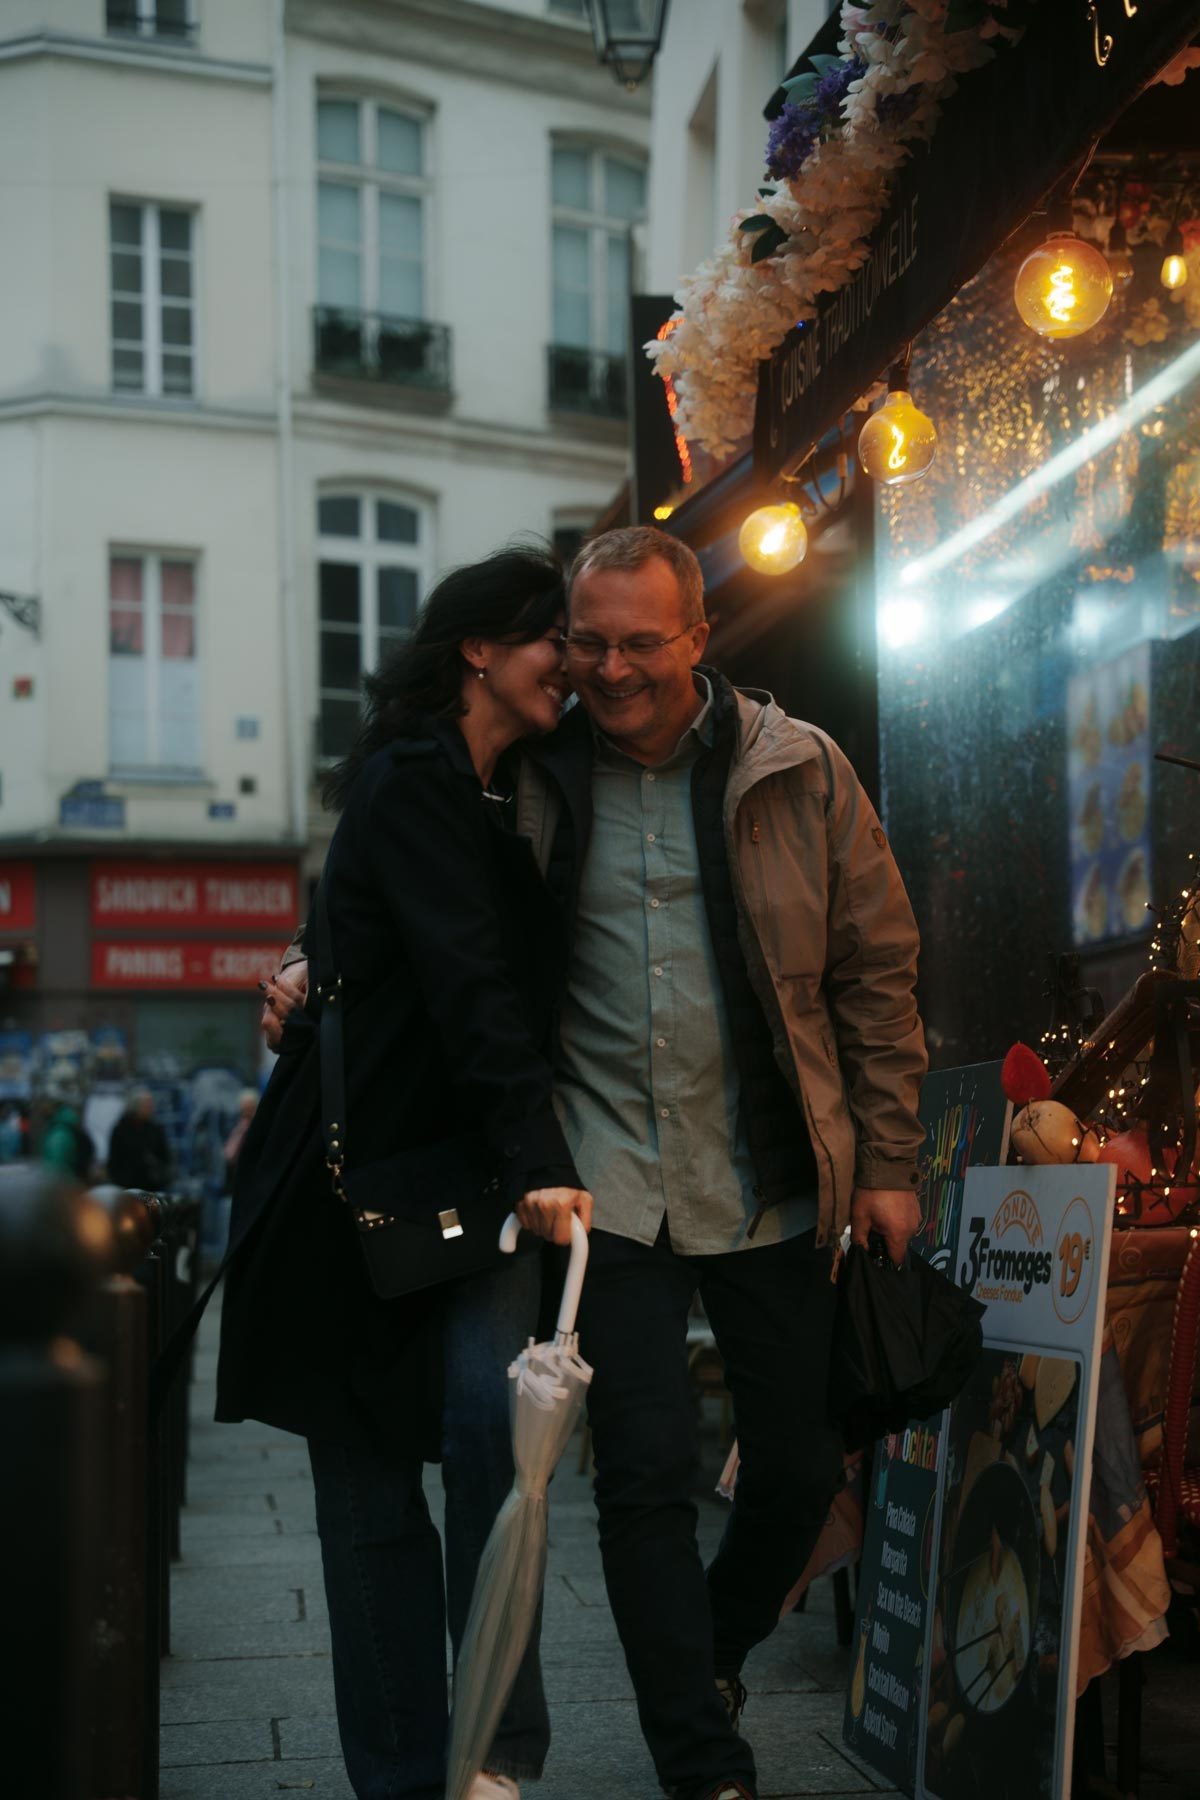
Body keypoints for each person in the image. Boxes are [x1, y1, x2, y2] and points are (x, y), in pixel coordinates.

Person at [512, 527, 927, 1800]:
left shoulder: (800, 766)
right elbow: (412, 893)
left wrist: (890, 1161)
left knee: (799, 1467)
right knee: (641, 1476)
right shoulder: (529, 769)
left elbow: (875, 971)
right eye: (590, 643)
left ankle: (708, 1658)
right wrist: (305, 958)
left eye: (642, 643)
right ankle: (701, 1760)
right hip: (603, 1187)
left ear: (699, 636)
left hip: (769, 1175)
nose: (612, 669)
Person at [214, 545, 594, 1800]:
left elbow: (379, 947)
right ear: (479, 649)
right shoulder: (413, 778)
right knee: (372, 1493)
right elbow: (465, 981)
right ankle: (405, 1775)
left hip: (462, 1179)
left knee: (496, 1441)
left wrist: (303, 963)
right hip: (354, 1186)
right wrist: (539, 1156)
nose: (573, 664)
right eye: (552, 638)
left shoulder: (508, 786)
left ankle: (491, 1756)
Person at [106, 1086, 171, 1191]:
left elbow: (164, 1156)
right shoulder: (121, 1130)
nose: (151, 1109)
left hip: (151, 1186)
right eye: (146, 1106)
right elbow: (114, 1160)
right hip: (126, 1186)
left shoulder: (155, 1130)